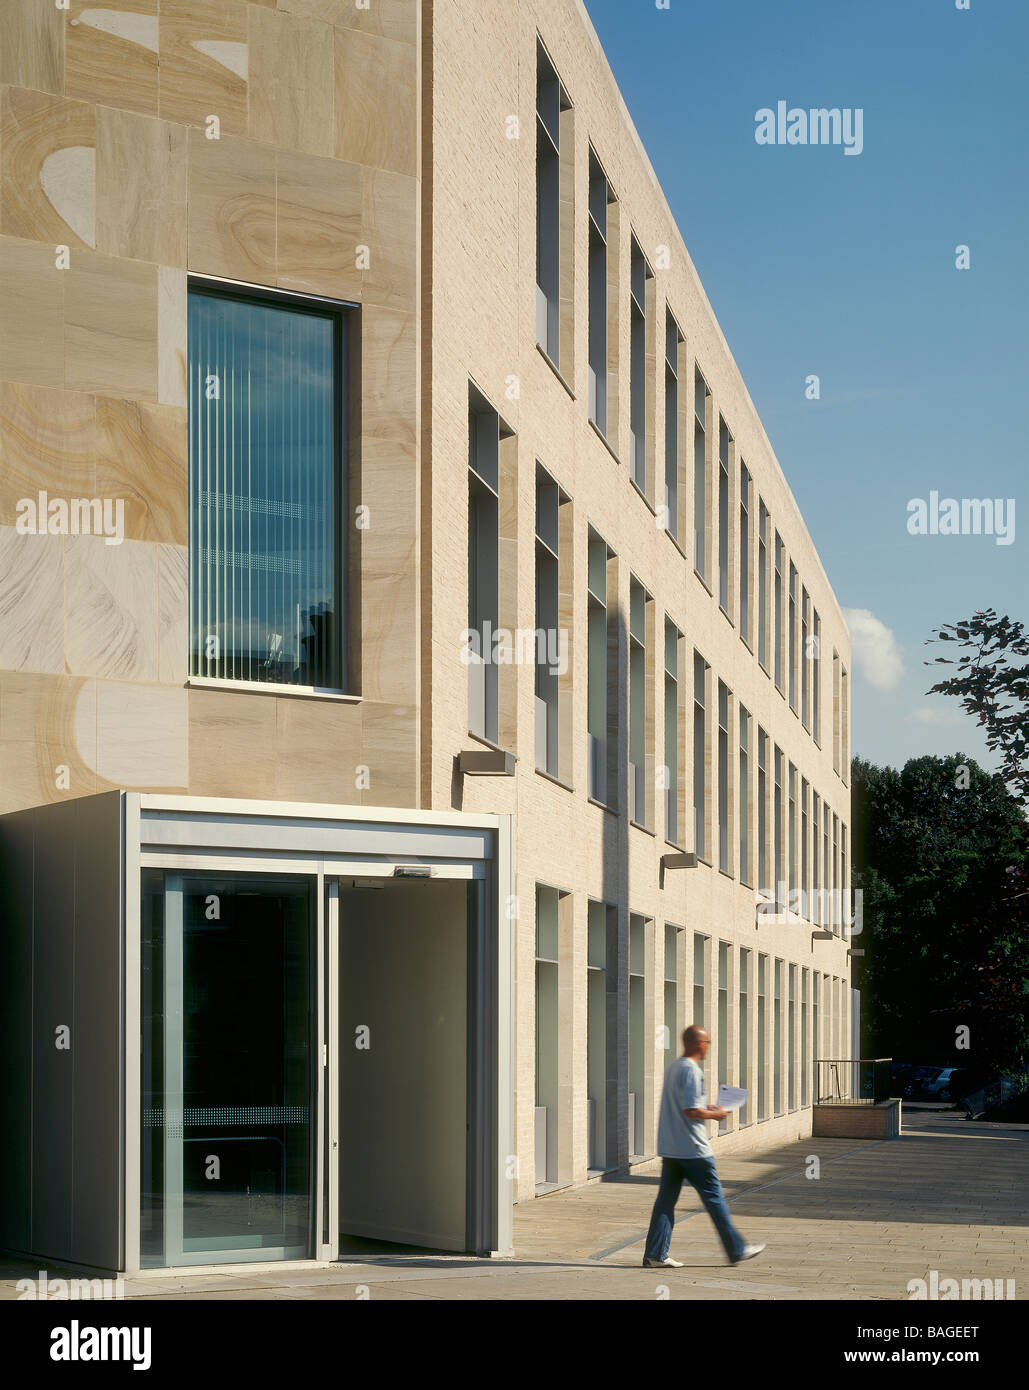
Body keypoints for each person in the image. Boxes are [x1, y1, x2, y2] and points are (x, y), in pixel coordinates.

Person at [642, 1024, 766, 1269]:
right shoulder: (691, 1070)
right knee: (715, 1199)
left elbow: (687, 1105)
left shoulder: (674, 1067)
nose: (708, 1046)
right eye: (707, 1042)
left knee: (665, 1202)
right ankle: (737, 1249)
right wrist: (716, 1114)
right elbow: (690, 1111)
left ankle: (655, 1254)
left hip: (672, 1149)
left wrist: (705, 1107)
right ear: (699, 1043)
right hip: (694, 1150)